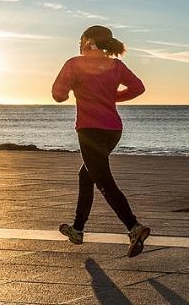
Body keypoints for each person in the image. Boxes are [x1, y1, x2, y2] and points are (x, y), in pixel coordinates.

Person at [52, 25, 151, 256]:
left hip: (90, 130)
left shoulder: (75, 63)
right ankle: (77, 229)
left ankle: (133, 227)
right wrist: (112, 96)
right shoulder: (115, 65)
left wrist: (70, 91)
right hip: (113, 130)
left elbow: (58, 95)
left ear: (88, 41)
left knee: (103, 180)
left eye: (80, 38)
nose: (78, 43)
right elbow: (138, 88)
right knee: (86, 175)